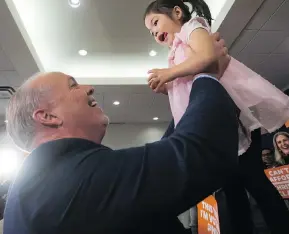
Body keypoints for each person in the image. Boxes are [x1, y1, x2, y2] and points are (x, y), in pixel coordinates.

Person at [4, 68, 239, 234]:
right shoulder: (73, 178)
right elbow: (202, 152)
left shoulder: (45, 178)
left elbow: (160, 160)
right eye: (73, 85)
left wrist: (182, 98)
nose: (90, 88)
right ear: (48, 117)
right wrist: (206, 74)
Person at [144, 0, 289, 234]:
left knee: (255, 182)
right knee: (232, 190)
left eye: (155, 23)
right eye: (150, 32)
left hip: (228, 119)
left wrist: (169, 74)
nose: (154, 32)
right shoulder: (175, 53)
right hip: (211, 126)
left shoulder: (193, 27)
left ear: (177, 13)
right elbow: (192, 87)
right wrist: (167, 87)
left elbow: (207, 57)